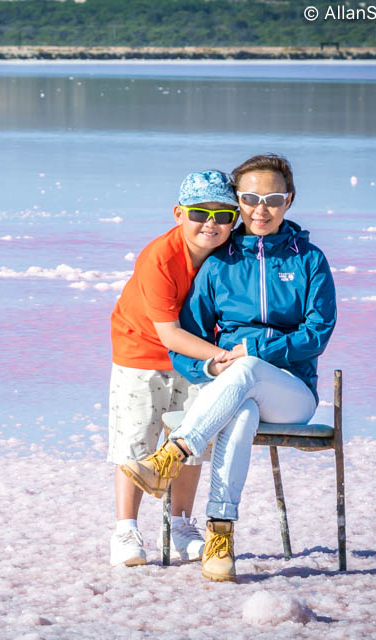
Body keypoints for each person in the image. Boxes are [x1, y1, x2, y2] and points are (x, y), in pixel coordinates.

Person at [121, 154, 337, 581]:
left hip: (292, 392)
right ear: (238, 202)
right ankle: (221, 537)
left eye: (273, 198)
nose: (261, 209)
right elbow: (189, 343)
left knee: (251, 366)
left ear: (288, 201)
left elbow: (318, 333)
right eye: (251, 198)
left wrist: (251, 348)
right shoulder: (220, 264)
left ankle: (172, 455)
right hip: (234, 389)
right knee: (240, 411)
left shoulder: (309, 260)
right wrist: (211, 371)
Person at [107, 170, 241, 567]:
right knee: (137, 441)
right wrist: (223, 356)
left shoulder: (231, 253)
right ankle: (126, 531)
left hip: (199, 358)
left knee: (193, 439)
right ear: (179, 213)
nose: (211, 223)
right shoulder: (159, 257)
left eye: (223, 214)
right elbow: (168, 334)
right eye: (200, 212)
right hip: (143, 351)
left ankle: (181, 527)